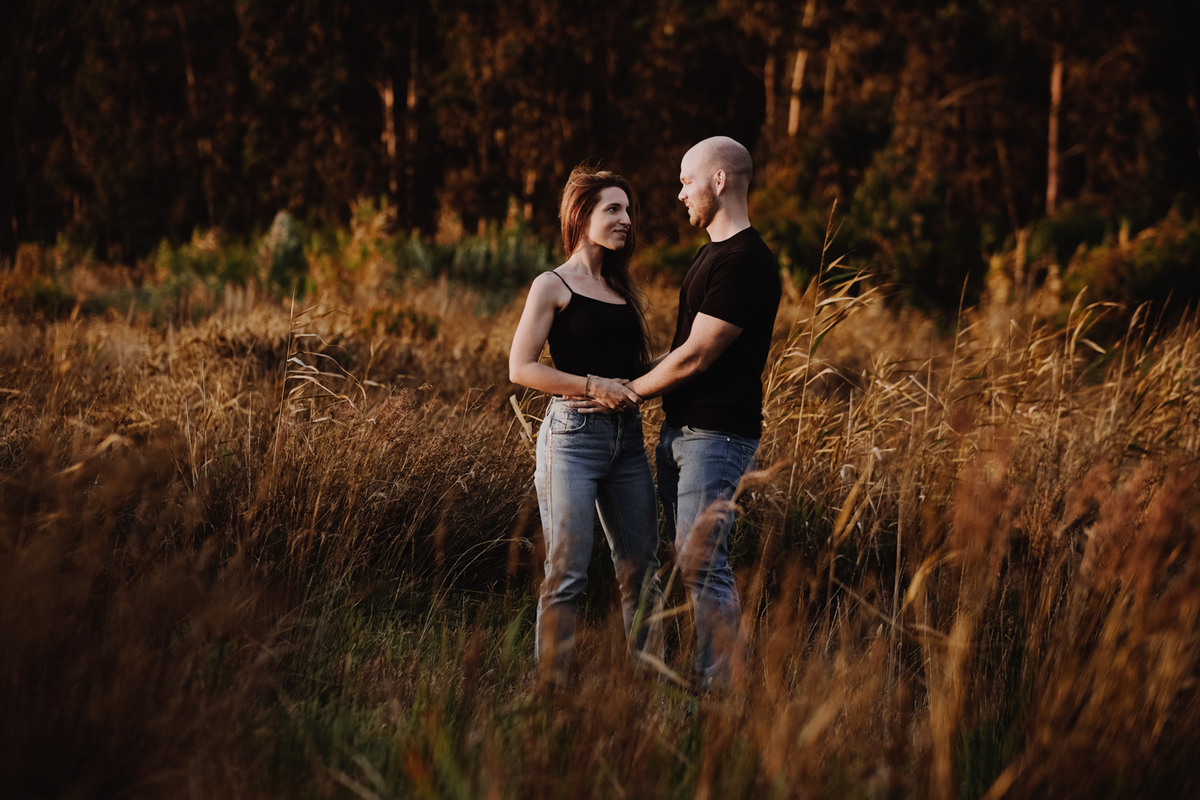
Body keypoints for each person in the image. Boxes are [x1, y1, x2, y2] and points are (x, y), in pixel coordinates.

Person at [627, 136, 781, 690]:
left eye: (687, 181)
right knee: (690, 558)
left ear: (719, 181)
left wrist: (628, 394)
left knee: (700, 560)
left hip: (716, 436)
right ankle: (705, 683)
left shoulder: (746, 261)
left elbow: (696, 355)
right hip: (683, 432)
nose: (679, 194)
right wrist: (634, 375)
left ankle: (720, 696)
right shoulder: (711, 254)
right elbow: (680, 347)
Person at [509, 166, 662, 682]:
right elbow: (522, 367)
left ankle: (653, 684)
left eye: (627, 210)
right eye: (611, 209)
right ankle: (552, 690)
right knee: (567, 571)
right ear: (581, 216)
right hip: (571, 440)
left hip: (629, 442)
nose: (625, 220)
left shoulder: (620, 288)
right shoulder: (552, 284)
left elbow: (635, 370)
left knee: (640, 570)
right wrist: (593, 385)